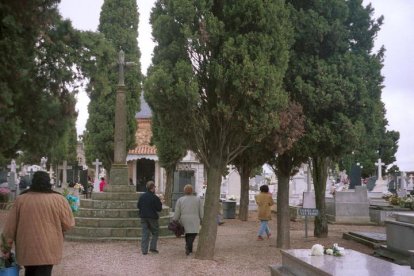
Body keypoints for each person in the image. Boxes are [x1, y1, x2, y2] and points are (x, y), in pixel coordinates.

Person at [1, 171, 75, 276]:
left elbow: (10, 227)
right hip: (49, 247)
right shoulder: (59, 200)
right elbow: (69, 224)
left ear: (33, 182)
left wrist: (5, 248)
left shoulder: (21, 199)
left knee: (30, 272)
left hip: (27, 247)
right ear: (49, 182)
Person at [173, 184, 204, 255]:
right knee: (193, 233)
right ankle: (188, 247)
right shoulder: (198, 199)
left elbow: (177, 211)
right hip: (195, 219)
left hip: (184, 219)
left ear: (184, 191)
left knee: (187, 233)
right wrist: (202, 218)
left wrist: (175, 219)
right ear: (192, 191)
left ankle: (189, 248)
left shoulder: (180, 200)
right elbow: (201, 210)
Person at [137, 181, 162, 255]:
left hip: (143, 216)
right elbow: (159, 208)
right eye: (154, 187)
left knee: (145, 233)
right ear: (152, 188)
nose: (155, 188)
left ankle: (144, 250)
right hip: (152, 217)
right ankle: (152, 248)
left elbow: (138, 206)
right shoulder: (155, 197)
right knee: (155, 232)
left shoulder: (142, 196)